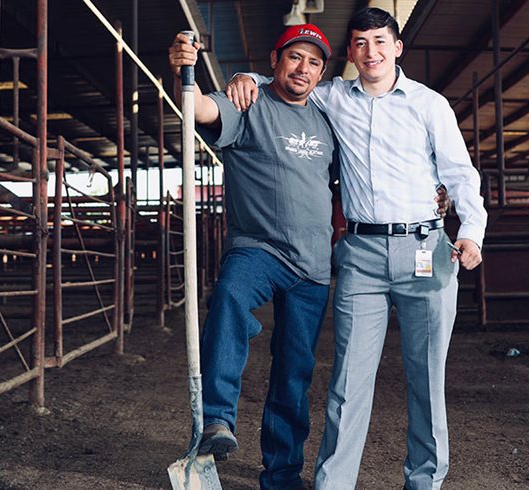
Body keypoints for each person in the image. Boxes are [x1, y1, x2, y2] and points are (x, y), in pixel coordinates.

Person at [225, 7, 487, 490]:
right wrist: (245, 76)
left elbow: (459, 173)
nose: (372, 52)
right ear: (350, 54)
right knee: (347, 382)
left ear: (397, 48)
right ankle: (333, 484)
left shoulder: (429, 104)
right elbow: (290, 80)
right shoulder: (332, 98)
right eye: (361, 43)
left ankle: (424, 482)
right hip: (361, 256)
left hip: (424, 248)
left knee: (426, 381)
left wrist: (471, 229)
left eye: (381, 42)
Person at [169, 24, 337, 490]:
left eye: (313, 62)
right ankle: (216, 421)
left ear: (322, 73)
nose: (303, 68)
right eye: (294, 57)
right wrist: (185, 69)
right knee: (229, 297)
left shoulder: (327, 121)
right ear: (275, 59)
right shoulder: (249, 103)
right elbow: (201, 108)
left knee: (294, 370)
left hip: (313, 267)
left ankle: (282, 475)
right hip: (258, 249)